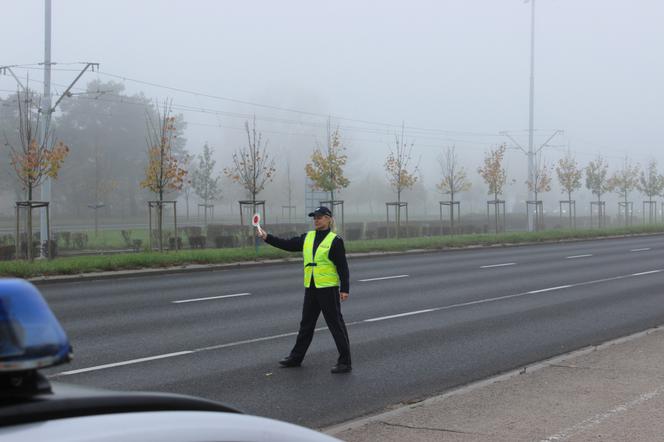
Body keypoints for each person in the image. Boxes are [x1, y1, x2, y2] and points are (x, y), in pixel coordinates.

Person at [257, 206, 352, 374]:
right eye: (315, 217)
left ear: (329, 219)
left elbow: (342, 267)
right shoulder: (307, 237)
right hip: (311, 287)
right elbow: (287, 244)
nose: (316, 220)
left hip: (328, 288)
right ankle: (296, 358)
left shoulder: (335, 240)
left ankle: (345, 362)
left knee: (335, 324)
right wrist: (267, 237)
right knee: (306, 325)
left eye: (320, 217)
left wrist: (344, 288)